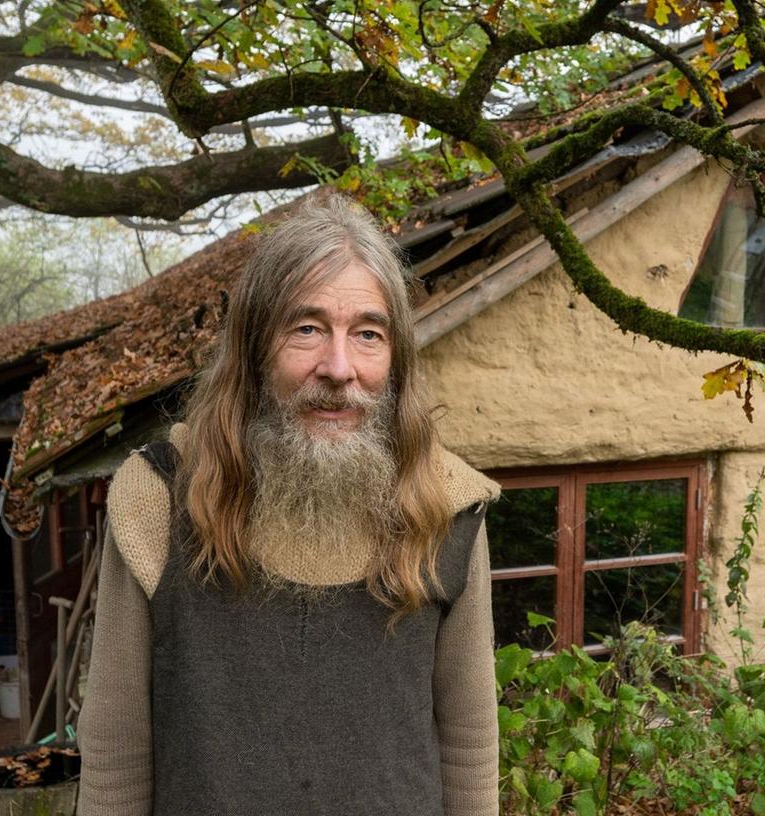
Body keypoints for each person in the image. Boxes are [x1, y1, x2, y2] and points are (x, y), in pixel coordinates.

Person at [75, 195, 501, 816]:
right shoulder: (156, 500)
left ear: (397, 359)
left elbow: (469, 750)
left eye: (368, 334)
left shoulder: (449, 507)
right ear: (253, 350)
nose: (338, 367)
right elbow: (114, 761)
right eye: (305, 329)